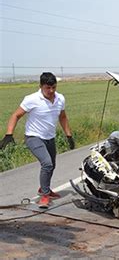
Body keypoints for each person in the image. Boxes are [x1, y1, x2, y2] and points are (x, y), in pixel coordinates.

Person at [0, 72, 74, 208]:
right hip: (33, 137)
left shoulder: (60, 99)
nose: (51, 91)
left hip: (50, 138)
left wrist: (68, 135)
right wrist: (9, 134)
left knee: (52, 164)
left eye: (54, 88)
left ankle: (43, 188)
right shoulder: (31, 99)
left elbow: (62, 117)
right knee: (47, 163)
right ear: (40, 86)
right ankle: (44, 196)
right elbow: (16, 115)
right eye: (48, 88)